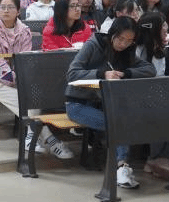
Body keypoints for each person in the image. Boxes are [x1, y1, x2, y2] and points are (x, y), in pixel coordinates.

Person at [65, 16, 156, 187]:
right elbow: (72, 73)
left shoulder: (128, 51)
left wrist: (127, 73)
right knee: (119, 123)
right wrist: (102, 74)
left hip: (105, 105)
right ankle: (121, 167)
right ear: (112, 33)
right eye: (120, 38)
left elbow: (150, 69)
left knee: (121, 119)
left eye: (129, 41)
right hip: (78, 105)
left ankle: (122, 168)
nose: (123, 44)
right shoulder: (93, 45)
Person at [0, 0, 73, 159]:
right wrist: (18, 81)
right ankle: (50, 140)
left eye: (10, 7)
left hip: (19, 78)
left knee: (34, 97)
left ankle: (31, 137)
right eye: (2, 7)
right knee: (28, 103)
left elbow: (25, 59)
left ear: (18, 11)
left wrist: (22, 81)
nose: (6, 11)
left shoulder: (24, 31)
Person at [135, 12, 169, 179]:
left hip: (157, 95)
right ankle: (156, 158)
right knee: (162, 113)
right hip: (138, 98)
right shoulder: (138, 51)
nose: (166, 28)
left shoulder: (160, 50)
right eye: (162, 25)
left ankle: (161, 159)